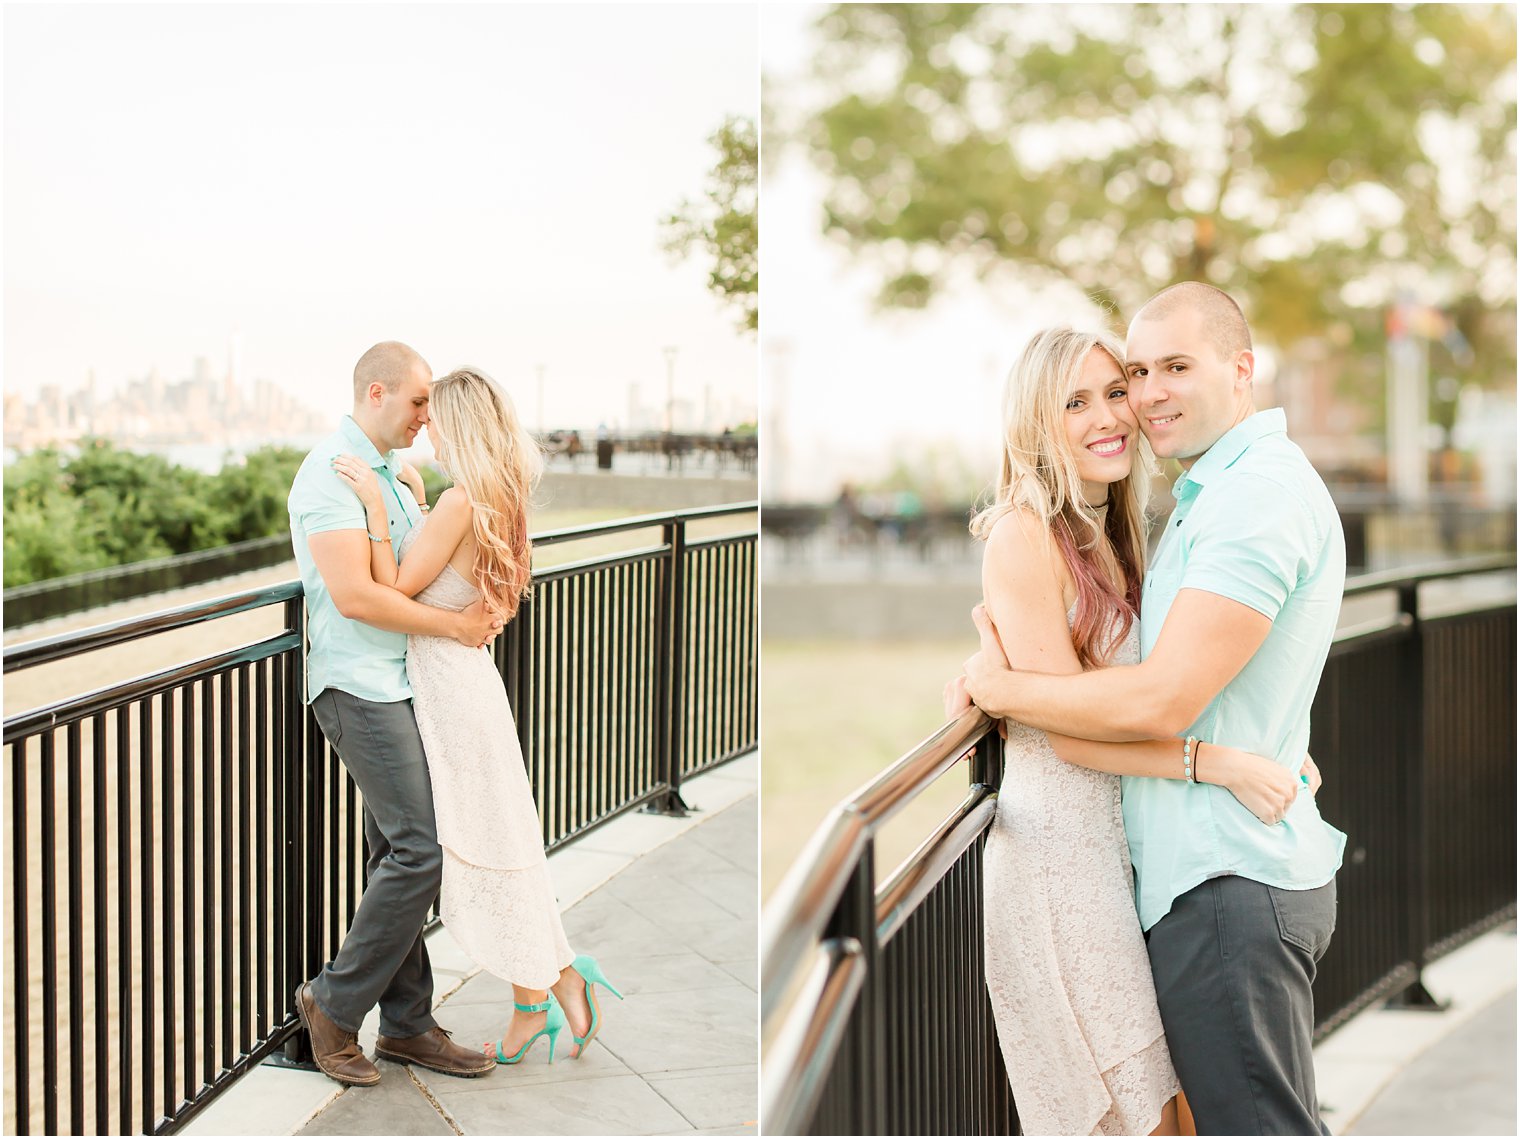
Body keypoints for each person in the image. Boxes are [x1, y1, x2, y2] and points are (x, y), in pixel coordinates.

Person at [963, 284, 1347, 1135]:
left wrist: (998, 688)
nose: (1124, 407)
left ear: (1241, 370)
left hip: (1175, 862)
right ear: (1036, 419)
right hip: (1069, 857)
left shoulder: (1177, 514)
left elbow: (1167, 690)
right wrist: (1226, 755)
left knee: (1195, 1118)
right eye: (1097, 391)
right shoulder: (1032, 533)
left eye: (1128, 383)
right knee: (1145, 1113)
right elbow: (1075, 726)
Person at [331, 365, 621, 1068]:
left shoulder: (462, 501)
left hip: (446, 688)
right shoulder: (501, 497)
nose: (425, 423)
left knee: (473, 843)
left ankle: (548, 986)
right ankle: (546, 988)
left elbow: (393, 584)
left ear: (461, 425)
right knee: (499, 835)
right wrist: (416, 501)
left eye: (436, 414)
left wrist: (376, 506)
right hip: (470, 683)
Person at [286, 341, 503, 1086]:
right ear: (375, 393)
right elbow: (358, 597)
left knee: (397, 854)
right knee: (420, 851)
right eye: (417, 401)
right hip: (357, 686)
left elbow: (412, 569)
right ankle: (334, 1004)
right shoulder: (329, 475)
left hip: (402, 683)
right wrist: (456, 627)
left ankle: (408, 1025)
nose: (426, 413)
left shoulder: (396, 479)